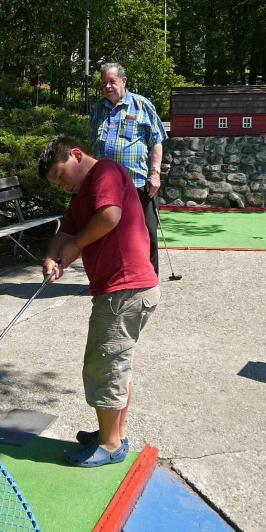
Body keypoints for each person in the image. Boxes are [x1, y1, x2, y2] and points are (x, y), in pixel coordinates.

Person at [38, 135, 160, 467]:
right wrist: (52, 256)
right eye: (56, 183)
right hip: (123, 290)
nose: (62, 185)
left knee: (104, 365)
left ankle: (108, 444)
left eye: (61, 175)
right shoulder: (81, 194)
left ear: (76, 155)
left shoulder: (104, 172)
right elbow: (66, 232)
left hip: (125, 290)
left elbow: (109, 216)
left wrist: (76, 247)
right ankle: (114, 433)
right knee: (116, 365)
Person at [89, 62, 168, 276]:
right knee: (108, 232)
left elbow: (157, 141)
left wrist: (155, 173)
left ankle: (150, 277)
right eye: (104, 82)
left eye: (112, 81)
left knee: (147, 232)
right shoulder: (97, 109)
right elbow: (93, 144)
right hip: (106, 186)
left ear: (123, 81)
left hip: (139, 182)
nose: (108, 86)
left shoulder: (142, 105)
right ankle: (113, 276)